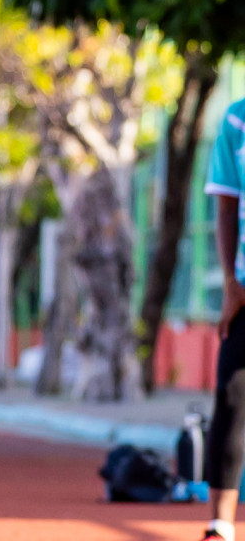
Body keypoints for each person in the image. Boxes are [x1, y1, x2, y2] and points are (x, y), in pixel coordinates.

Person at [200, 99, 245, 541]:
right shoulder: (238, 119)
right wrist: (232, 281)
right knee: (232, 394)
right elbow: (227, 205)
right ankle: (221, 523)